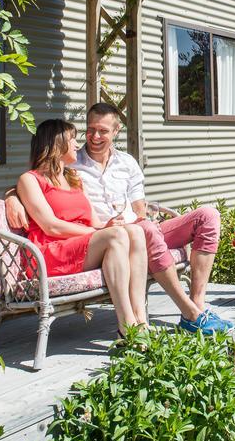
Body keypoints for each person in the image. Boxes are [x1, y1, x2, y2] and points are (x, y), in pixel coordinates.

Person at [6, 103, 233, 334]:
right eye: (90, 129)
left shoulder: (95, 171)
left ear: (116, 132)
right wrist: (11, 196)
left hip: (124, 231)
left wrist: (141, 222)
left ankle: (188, 307)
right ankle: (187, 314)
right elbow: (43, 204)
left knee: (205, 216)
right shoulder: (74, 167)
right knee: (134, 231)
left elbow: (137, 209)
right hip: (94, 239)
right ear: (57, 144)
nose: (93, 137)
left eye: (103, 131)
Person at [17, 118, 149, 336]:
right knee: (115, 236)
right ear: (57, 144)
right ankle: (128, 327)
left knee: (134, 231)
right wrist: (100, 232)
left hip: (82, 246)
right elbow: (51, 227)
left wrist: (106, 225)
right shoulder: (30, 180)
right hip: (51, 252)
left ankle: (141, 322)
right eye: (72, 140)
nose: (77, 146)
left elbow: (94, 221)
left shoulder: (74, 177)